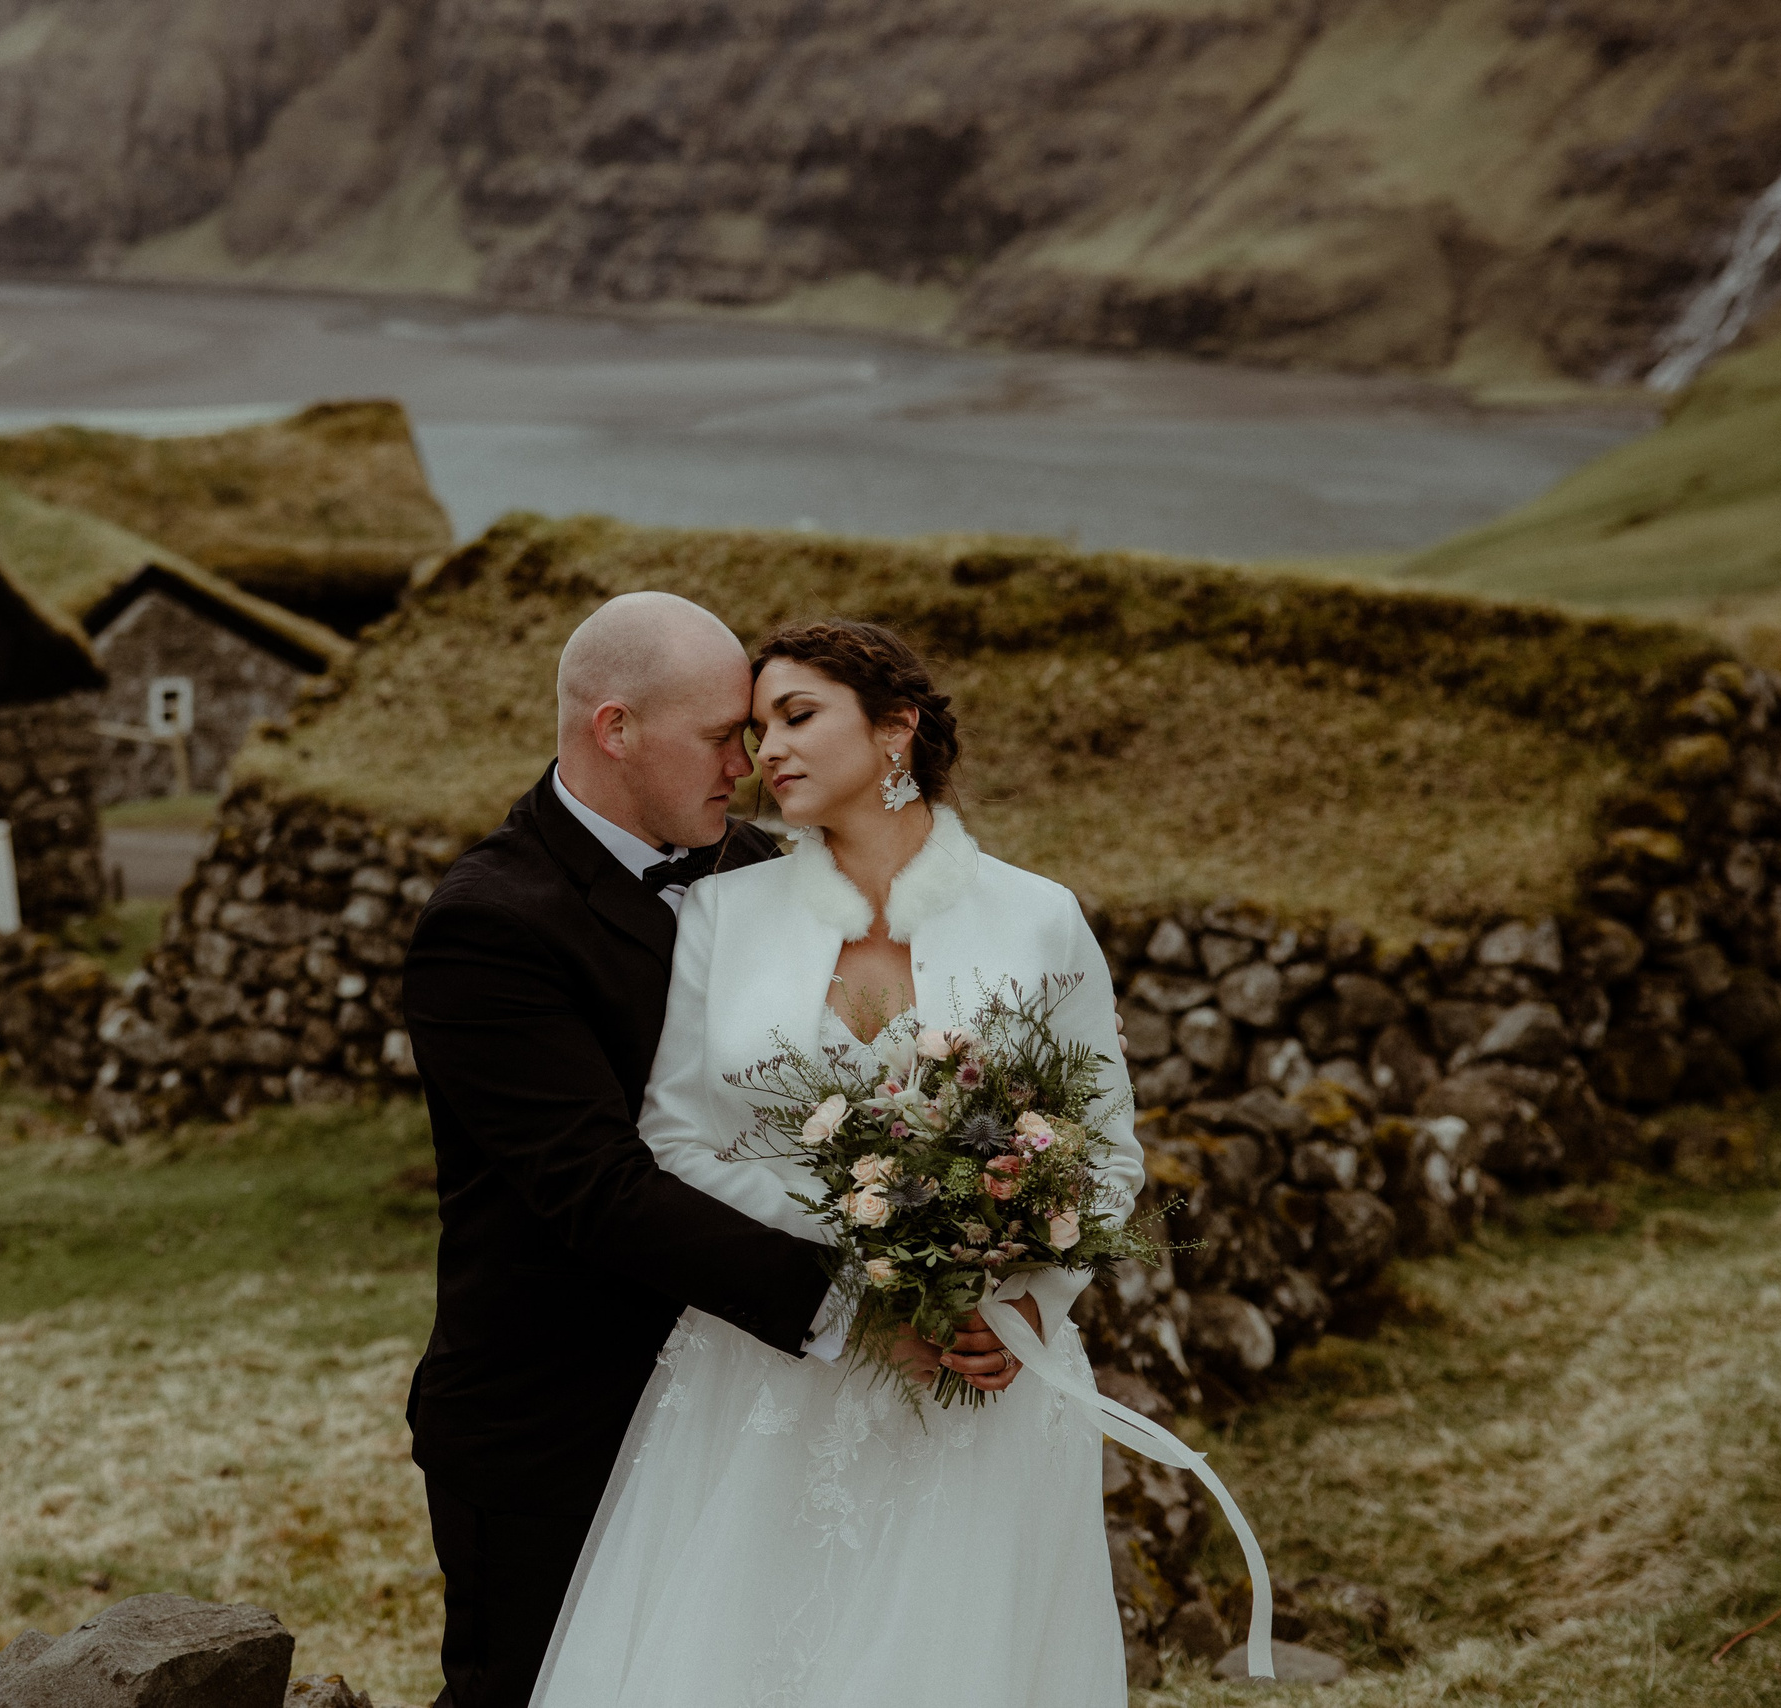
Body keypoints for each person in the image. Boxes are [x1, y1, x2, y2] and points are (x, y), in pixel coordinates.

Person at [527, 618, 1271, 1708]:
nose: (763, 751)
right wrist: (860, 1266)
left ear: (894, 730)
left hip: (979, 1380)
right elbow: (676, 1139)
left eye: (796, 716)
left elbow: (1107, 1154)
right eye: (750, 727)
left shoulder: (1035, 917)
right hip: (768, 1370)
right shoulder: (726, 911)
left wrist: (1021, 1305)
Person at [401, 594, 1049, 1708]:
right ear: (615, 730)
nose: (747, 766)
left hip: (752, 1415)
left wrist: (962, 1246)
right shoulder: (489, 924)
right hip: (563, 1424)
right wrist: (867, 1311)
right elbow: (597, 1191)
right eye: (719, 736)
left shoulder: (767, 869)